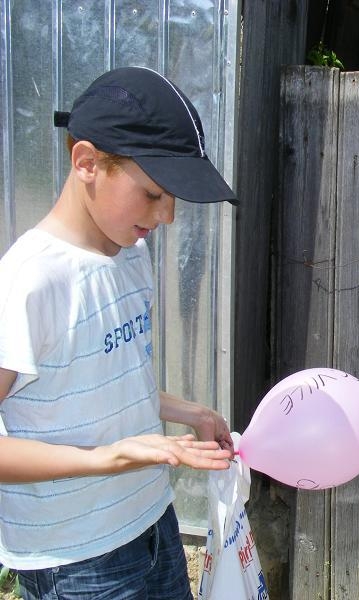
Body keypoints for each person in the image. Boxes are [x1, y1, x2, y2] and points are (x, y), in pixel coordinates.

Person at [0, 66, 239, 600]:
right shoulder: (30, 282)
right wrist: (109, 458)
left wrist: (189, 413)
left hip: (152, 521)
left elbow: (102, 379)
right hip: (78, 559)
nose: (169, 215)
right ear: (87, 163)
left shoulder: (130, 253)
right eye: (153, 194)